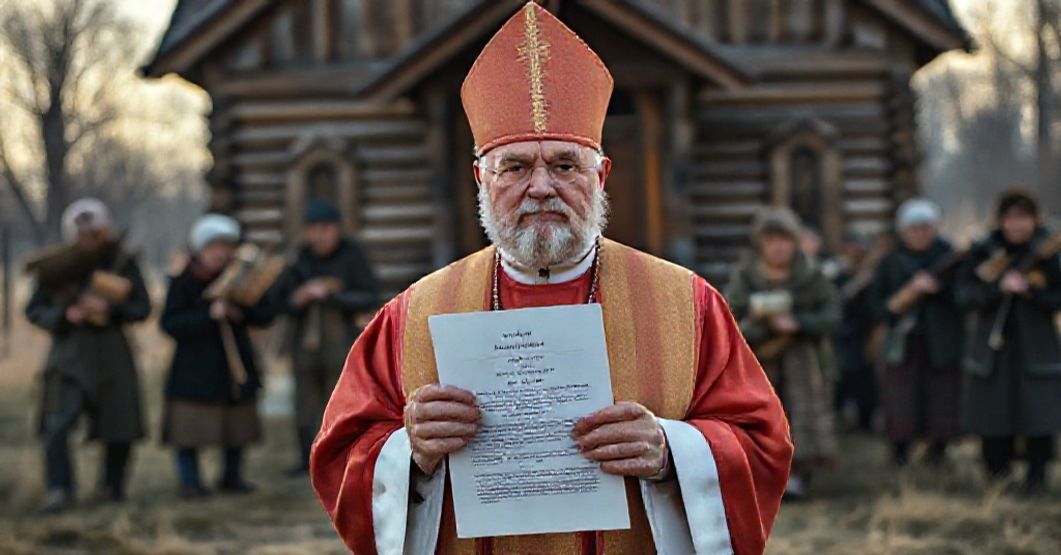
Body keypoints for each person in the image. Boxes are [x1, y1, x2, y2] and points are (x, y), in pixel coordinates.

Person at [310, 4, 792, 554]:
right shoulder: (412, 315)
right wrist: (409, 451)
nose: (541, 186)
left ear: (602, 175)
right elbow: (341, 456)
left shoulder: (689, 304)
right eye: (514, 167)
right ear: (481, 180)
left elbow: (763, 446)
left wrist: (672, 450)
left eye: (565, 165)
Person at [25, 198, 151, 513]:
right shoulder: (55, 268)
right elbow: (34, 310)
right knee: (56, 425)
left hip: (112, 353)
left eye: (94, 233)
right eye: (82, 234)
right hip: (68, 353)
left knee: (119, 424)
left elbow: (142, 307)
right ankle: (60, 489)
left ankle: (112, 487)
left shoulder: (121, 263)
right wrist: (65, 315)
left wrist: (109, 309)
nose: (89, 240)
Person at [724, 207, 840, 501]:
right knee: (764, 417)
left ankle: (798, 476)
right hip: (760, 362)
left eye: (784, 239)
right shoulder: (746, 276)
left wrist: (799, 324)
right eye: (771, 239)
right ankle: (763, 478)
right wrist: (759, 324)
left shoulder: (811, 276)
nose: (778, 247)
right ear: (761, 243)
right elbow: (728, 316)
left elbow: (832, 315)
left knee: (800, 416)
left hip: (804, 363)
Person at [160, 214, 274, 498]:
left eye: (226, 246)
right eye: (214, 247)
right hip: (194, 367)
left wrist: (240, 313)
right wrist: (207, 316)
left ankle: (231, 477)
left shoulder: (242, 279)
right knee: (189, 427)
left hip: (233, 365)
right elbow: (170, 323)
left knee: (236, 423)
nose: (220, 252)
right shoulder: (184, 280)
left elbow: (265, 312)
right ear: (201, 249)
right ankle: (190, 482)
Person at [955, 189, 1061, 493]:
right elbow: (964, 296)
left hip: (1038, 349)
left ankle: (1037, 480)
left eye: (1023, 217)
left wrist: (1030, 291)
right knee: (993, 417)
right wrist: (997, 289)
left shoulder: (1050, 253)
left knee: (1039, 417)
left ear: (1035, 219)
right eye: (1011, 218)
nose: (1017, 225)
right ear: (1000, 220)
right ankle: (998, 482)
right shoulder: (984, 252)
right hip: (992, 351)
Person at [272, 199, 379, 475]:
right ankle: (307, 459)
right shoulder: (298, 259)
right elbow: (278, 302)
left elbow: (369, 295)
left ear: (336, 229)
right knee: (304, 401)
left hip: (343, 342)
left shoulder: (352, 255)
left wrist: (331, 295)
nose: (320, 235)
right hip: (304, 343)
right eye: (314, 229)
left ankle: (343, 457)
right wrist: (300, 297)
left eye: (326, 228)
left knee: (343, 401)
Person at [869, 199, 963, 466]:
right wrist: (906, 296)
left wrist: (939, 289)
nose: (920, 233)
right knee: (900, 399)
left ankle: (939, 452)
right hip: (902, 344)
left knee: (942, 396)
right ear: (903, 231)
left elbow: (965, 298)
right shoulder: (890, 261)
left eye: (925, 227)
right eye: (914, 228)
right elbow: (876, 306)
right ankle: (900, 453)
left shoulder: (950, 258)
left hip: (942, 341)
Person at [831, 231, 879, 432]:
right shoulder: (838, 273)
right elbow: (837, 300)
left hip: (866, 333)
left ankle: (865, 422)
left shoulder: (873, 274)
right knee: (843, 376)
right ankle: (841, 417)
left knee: (866, 380)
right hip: (842, 334)